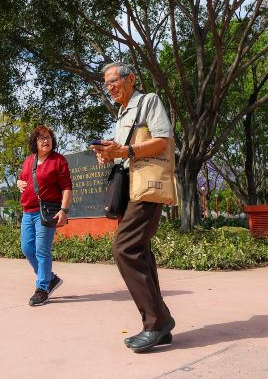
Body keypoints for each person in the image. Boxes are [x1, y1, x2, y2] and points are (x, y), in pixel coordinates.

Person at [91, 62, 175, 353]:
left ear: (131, 79)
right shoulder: (122, 113)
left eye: (113, 81)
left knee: (124, 249)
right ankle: (157, 324)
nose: (109, 87)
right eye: (106, 83)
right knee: (140, 252)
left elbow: (163, 141)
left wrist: (125, 151)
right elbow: (125, 153)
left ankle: (158, 322)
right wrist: (109, 154)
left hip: (147, 187)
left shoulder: (149, 101)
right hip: (129, 187)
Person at [16, 125, 72, 306]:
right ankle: (51, 278)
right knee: (27, 249)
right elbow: (23, 178)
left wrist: (64, 210)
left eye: (48, 137)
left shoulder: (58, 160)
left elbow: (67, 187)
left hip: (47, 212)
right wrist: (18, 182)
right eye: (41, 138)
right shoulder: (28, 161)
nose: (46, 141)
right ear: (35, 142)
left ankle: (42, 288)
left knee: (41, 250)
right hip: (27, 212)